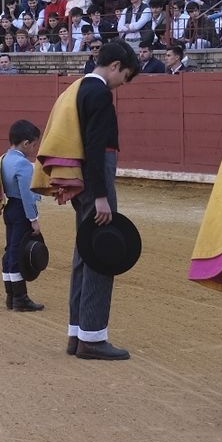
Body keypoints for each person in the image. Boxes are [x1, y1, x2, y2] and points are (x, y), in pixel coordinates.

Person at [68, 40, 141, 359]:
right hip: (95, 179)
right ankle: (93, 338)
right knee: (102, 250)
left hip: (82, 177)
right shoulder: (99, 94)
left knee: (85, 250)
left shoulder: (80, 88)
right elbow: (96, 149)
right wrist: (100, 196)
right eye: (124, 76)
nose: (122, 83)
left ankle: (77, 332)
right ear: (114, 66)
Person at [0, 120, 46, 313]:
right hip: (20, 210)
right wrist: (33, 219)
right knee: (18, 252)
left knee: (11, 249)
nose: (35, 148)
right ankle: (20, 298)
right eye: (34, 144)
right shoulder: (23, 164)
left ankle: (11, 295)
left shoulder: (4, 159)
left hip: (9, 208)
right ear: (26, 143)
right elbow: (27, 196)